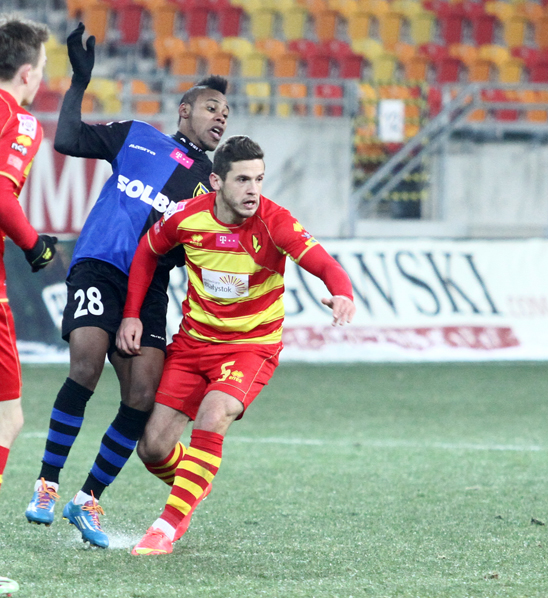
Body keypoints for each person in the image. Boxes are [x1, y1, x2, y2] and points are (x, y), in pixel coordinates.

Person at [24, 22, 229, 549]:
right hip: (99, 265)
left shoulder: (211, 191)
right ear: (184, 110)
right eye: (211, 108)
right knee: (86, 366)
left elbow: (192, 252)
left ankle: (87, 498)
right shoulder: (138, 135)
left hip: (151, 290)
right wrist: (79, 82)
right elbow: (68, 138)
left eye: (225, 114)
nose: (220, 117)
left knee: (141, 396)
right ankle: (47, 484)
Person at [115, 135, 355, 556]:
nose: (253, 190)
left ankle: (164, 528)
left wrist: (342, 294)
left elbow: (324, 264)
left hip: (250, 347)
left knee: (214, 414)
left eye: (259, 179)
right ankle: (195, 482)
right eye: (243, 179)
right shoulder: (187, 217)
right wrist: (132, 313)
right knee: (152, 448)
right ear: (216, 181)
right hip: (193, 345)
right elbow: (148, 251)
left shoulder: (275, 222)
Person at [0, 14, 57, 595]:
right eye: (42, 68)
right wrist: (35, 245)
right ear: (25, 73)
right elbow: (0, 193)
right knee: (6, 417)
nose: (42, 79)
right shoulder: (18, 120)